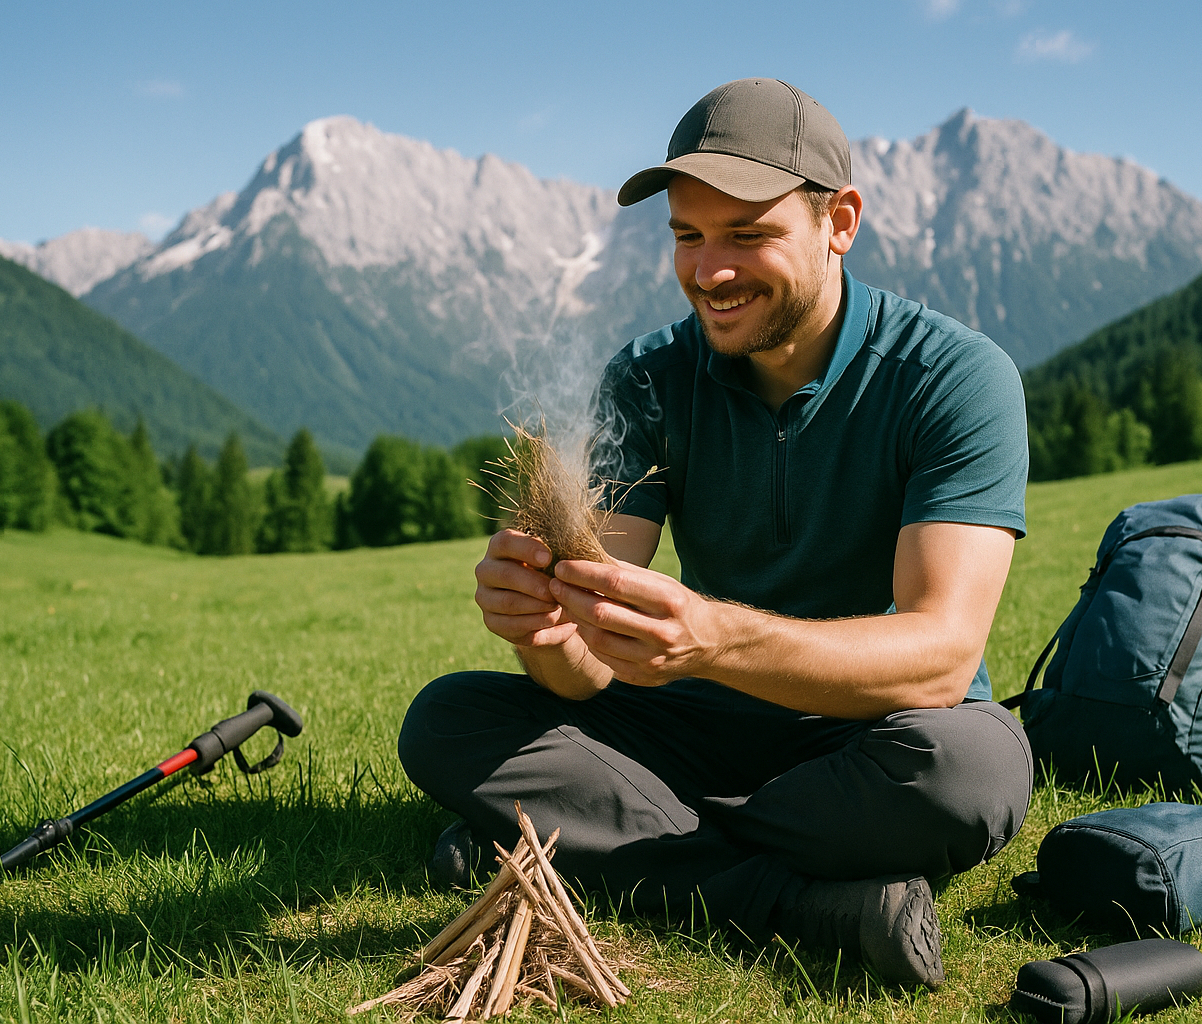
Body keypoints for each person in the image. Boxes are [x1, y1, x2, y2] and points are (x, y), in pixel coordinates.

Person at [400, 78, 1033, 988]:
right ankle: (800, 902)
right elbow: (588, 664)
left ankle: (593, 833)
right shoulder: (650, 377)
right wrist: (548, 628)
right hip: (694, 726)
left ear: (839, 222)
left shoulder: (955, 378)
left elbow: (938, 657)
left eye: (747, 234)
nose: (710, 271)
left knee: (971, 769)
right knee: (449, 721)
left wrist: (711, 637)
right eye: (687, 237)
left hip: (868, 733)